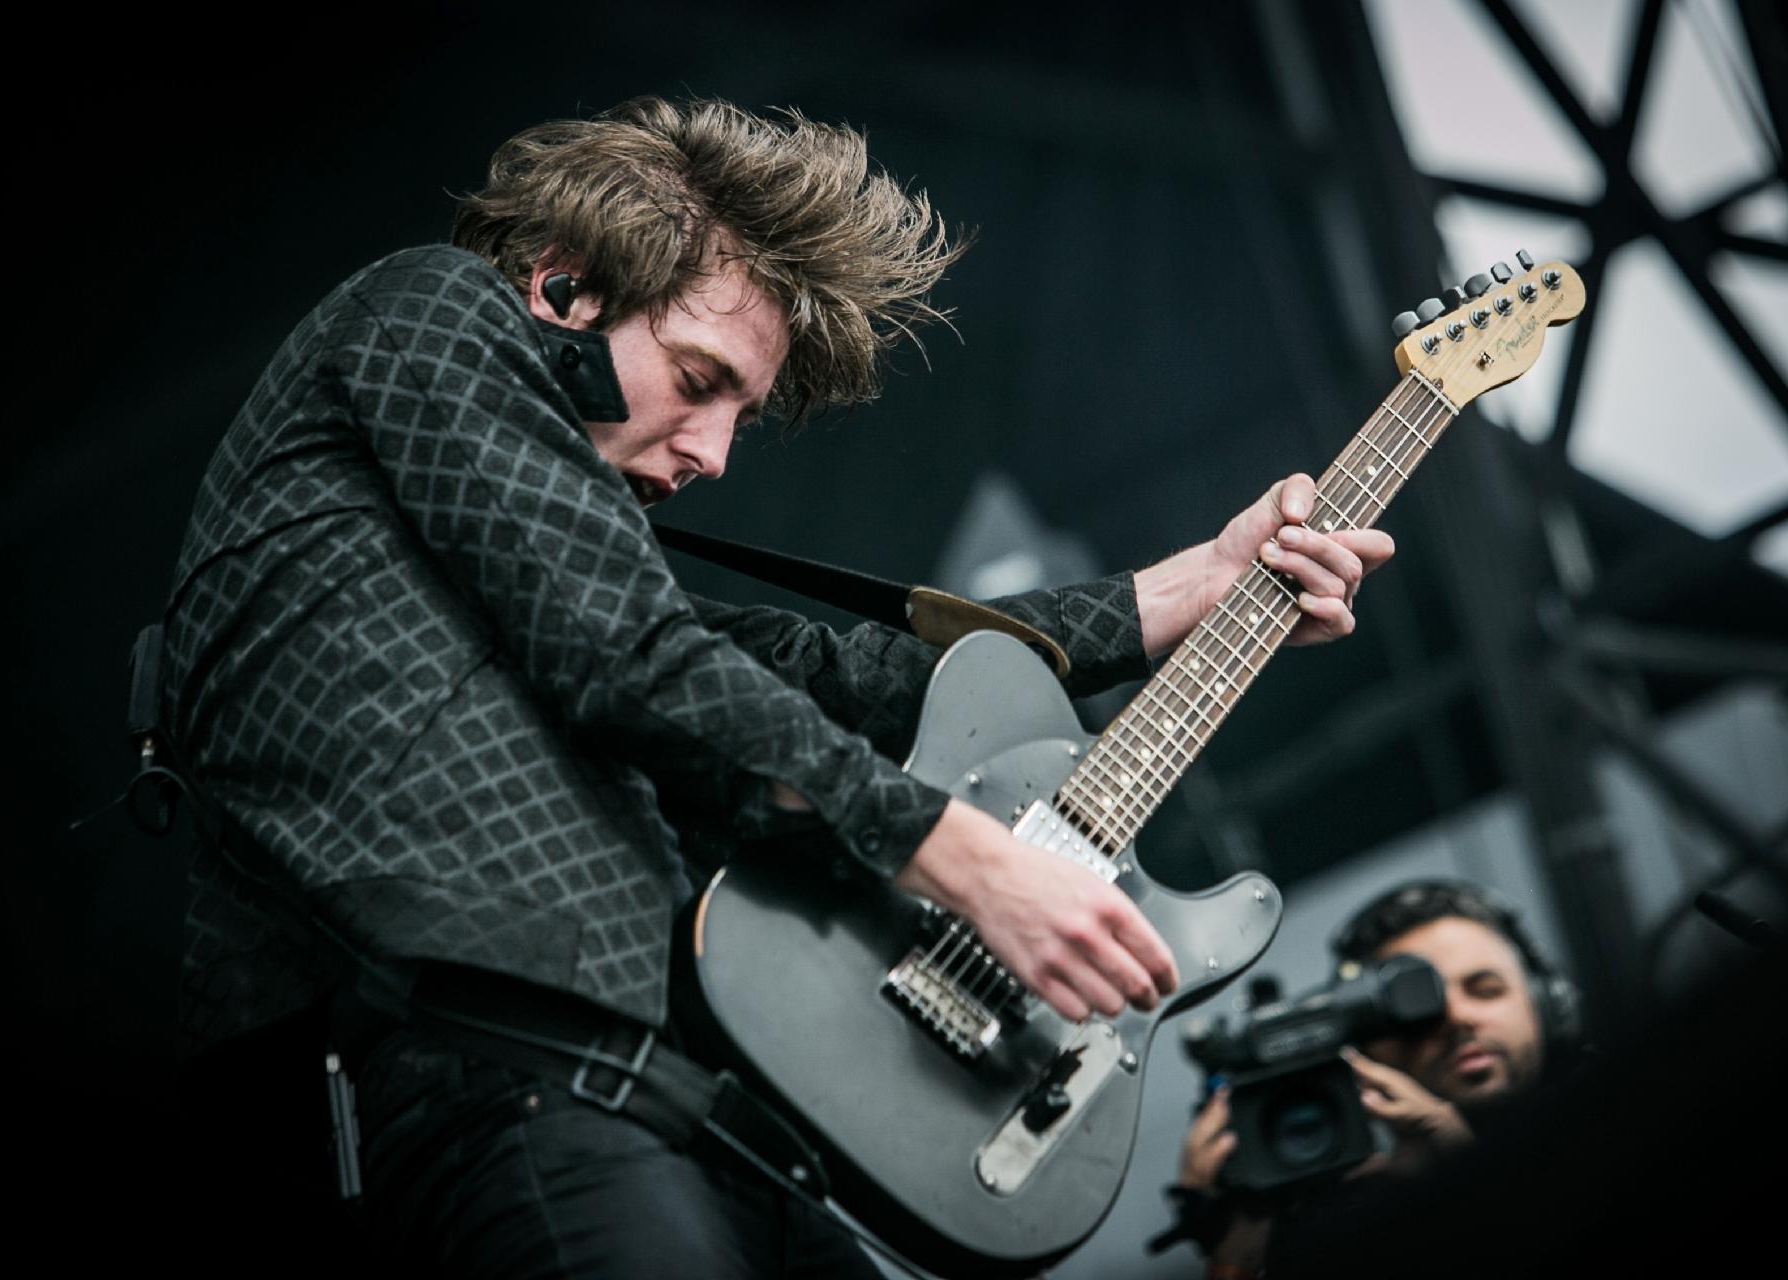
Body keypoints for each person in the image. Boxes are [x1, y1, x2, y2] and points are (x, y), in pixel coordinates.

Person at [159, 96, 1392, 1277]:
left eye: (739, 415)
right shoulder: (428, 309)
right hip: (497, 1079)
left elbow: (821, 671)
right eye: (699, 381)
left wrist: (1177, 594)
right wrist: (969, 860)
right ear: (563, 288)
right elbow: (639, 666)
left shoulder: (542, 577)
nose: (711, 455)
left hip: (702, 1112)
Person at [1169, 879, 1580, 1278]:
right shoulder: (1338, 1231)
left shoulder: (1620, 1127)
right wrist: (1234, 1261)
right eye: (1414, 1008)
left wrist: (1463, 1168)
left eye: (1485, 989)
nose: (1455, 1017)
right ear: (1365, 1049)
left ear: (1548, 1002)